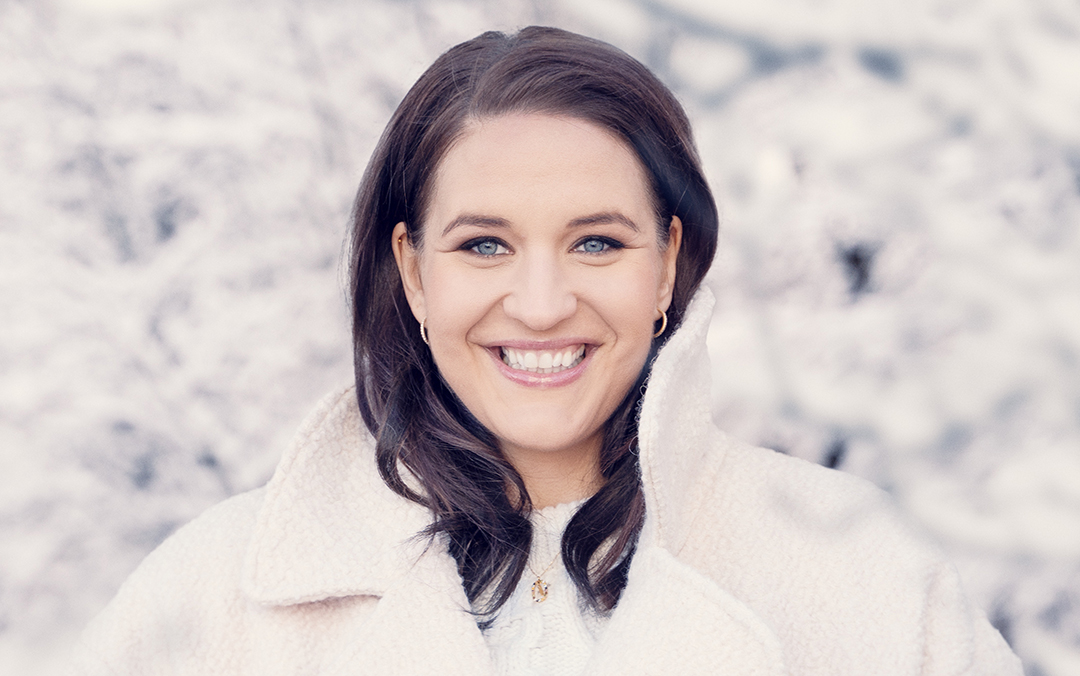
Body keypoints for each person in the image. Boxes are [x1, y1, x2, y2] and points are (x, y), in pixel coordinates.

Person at [73, 26, 1022, 675]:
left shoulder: (864, 576)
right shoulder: (214, 597)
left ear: (667, 265)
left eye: (597, 242)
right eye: (483, 244)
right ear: (411, 272)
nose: (539, 303)